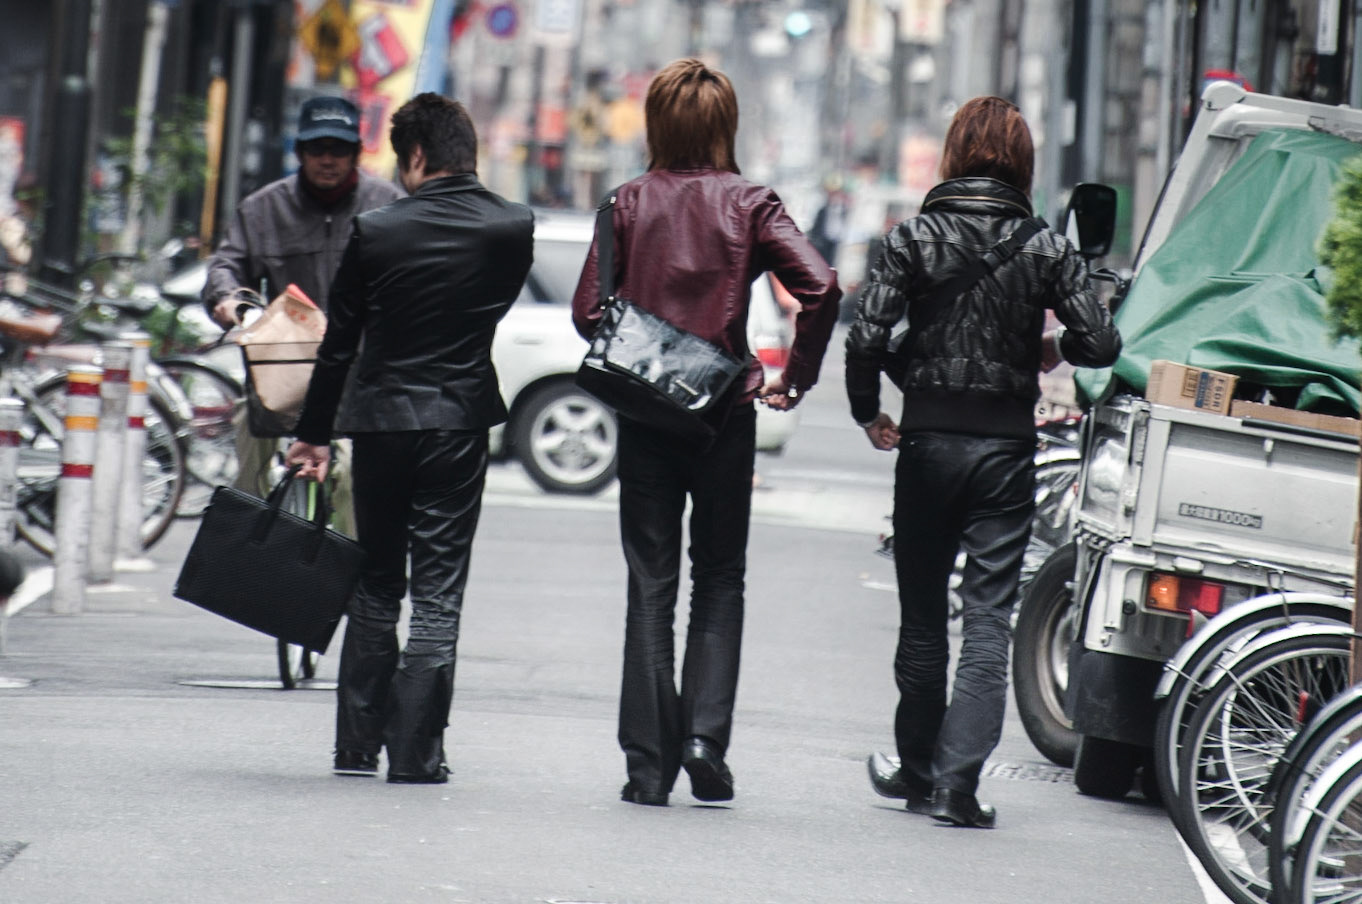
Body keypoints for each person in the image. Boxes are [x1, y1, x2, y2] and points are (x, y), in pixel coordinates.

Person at [571, 56, 840, 809]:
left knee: (650, 581)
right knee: (720, 577)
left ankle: (647, 766)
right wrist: (798, 377)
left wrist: (650, 346)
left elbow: (590, 312)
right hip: (724, 412)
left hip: (648, 416)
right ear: (727, 126)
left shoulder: (626, 201)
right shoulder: (751, 203)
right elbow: (820, 286)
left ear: (657, 123)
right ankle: (704, 740)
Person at [845, 95, 1120, 831]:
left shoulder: (913, 237)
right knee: (990, 617)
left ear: (954, 155)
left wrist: (868, 410)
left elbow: (864, 336)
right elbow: (1101, 346)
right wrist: (1050, 345)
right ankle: (958, 787)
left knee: (924, 617)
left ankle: (916, 768)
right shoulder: (1047, 247)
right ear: (1022, 164)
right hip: (1005, 452)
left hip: (927, 444)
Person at [286, 92, 533, 785]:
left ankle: (357, 744)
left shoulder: (378, 229)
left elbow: (340, 344)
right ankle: (418, 753)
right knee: (438, 591)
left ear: (416, 156)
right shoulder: (513, 227)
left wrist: (314, 436)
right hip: (457, 423)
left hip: (383, 422)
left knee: (376, 581)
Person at [203, 94, 398, 500]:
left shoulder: (389, 206)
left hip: (360, 379)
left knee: (355, 484)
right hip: (282, 373)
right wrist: (229, 300)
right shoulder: (262, 209)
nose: (328, 160)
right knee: (246, 429)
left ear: (357, 152)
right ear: (300, 151)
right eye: (317, 148)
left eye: (339, 149)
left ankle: (350, 559)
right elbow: (226, 266)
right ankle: (250, 536)